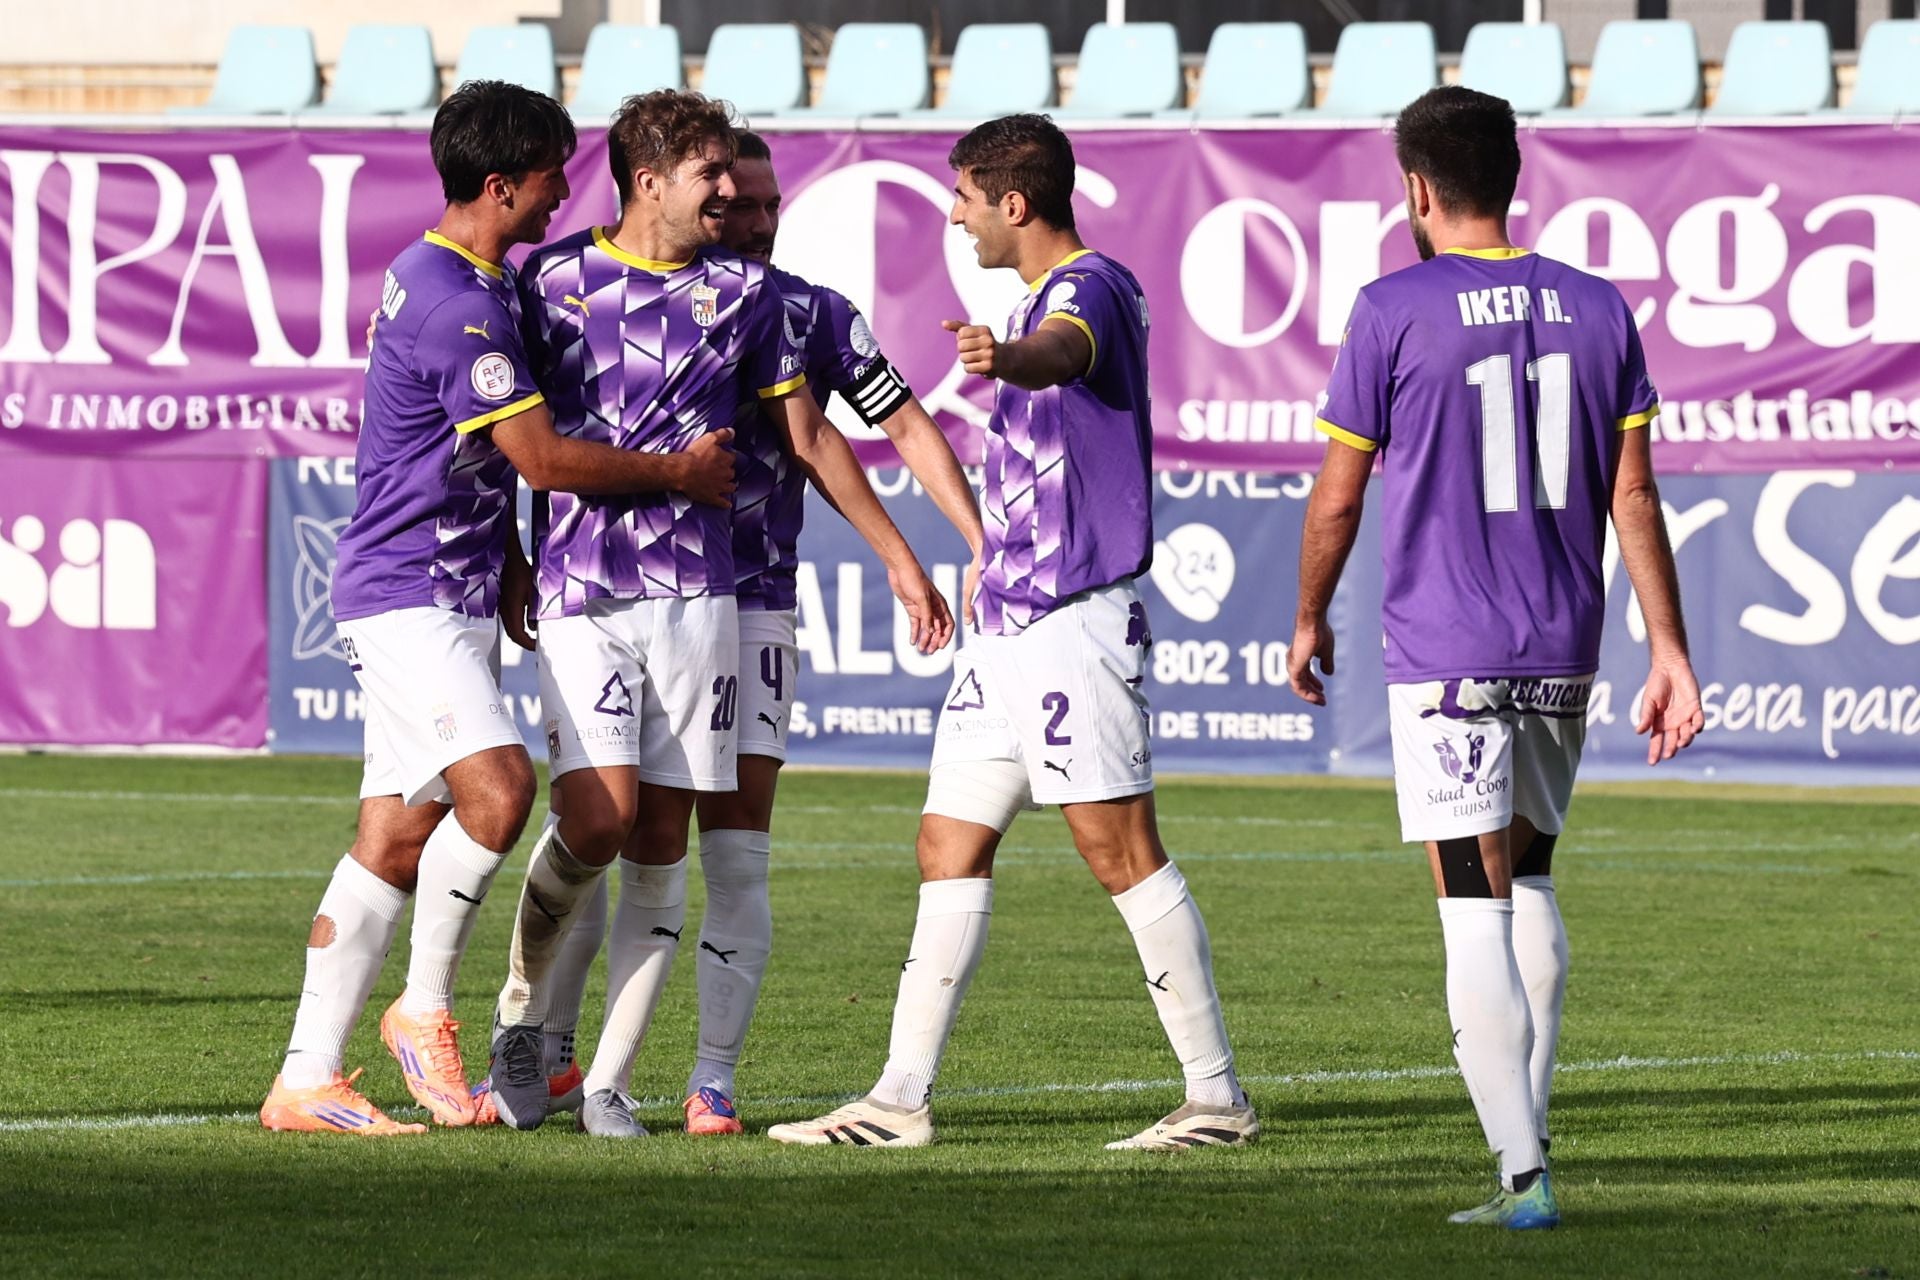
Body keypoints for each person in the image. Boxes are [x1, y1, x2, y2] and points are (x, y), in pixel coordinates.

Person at [768, 114, 1257, 1151]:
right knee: (947, 840)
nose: (954, 214)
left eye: (964, 196)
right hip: (1009, 624)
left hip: (1074, 620)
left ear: (1014, 203)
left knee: (1117, 846)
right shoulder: (1039, 292)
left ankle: (1216, 1096)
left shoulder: (1088, 290)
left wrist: (1012, 357)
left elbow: (1063, 356)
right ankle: (899, 1096)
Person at [260, 80, 736, 1136]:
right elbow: (542, 456)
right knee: (502, 791)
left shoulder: (461, 274)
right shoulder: (457, 301)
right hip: (408, 597)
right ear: (500, 183)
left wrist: (516, 556)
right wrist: (679, 473)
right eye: (553, 173)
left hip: (453, 587)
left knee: (392, 835)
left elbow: (487, 461)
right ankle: (424, 1011)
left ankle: (304, 1074)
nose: (567, 191)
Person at [484, 89, 953, 1137]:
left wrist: (909, 557)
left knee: (680, 846)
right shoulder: (550, 281)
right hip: (582, 589)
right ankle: (528, 1014)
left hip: (721, 596)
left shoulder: (759, 298)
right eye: (719, 179)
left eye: (747, 185)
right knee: (593, 822)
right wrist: (511, 551)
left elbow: (819, 435)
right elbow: (514, 433)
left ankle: (632, 1081)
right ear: (653, 179)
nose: (741, 198)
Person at [1287, 86, 1704, 1228]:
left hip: (1446, 654)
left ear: (1417, 189)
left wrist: (1308, 616)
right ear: (1512, 174)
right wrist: (1668, 643)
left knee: (1469, 902)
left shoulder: (1390, 307)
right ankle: (1532, 1139)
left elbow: (1336, 500)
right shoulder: (1598, 305)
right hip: (1563, 647)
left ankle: (1523, 1178)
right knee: (1529, 880)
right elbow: (1634, 491)